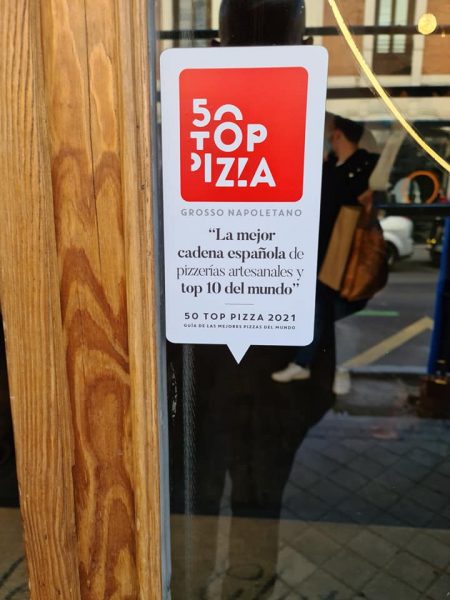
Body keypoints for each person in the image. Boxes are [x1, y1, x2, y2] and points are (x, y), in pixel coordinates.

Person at [271, 116, 379, 383]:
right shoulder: (329, 165)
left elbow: (365, 199)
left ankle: (318, 364)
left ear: (338, 134)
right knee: (321, 306)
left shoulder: (364, 166)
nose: (329, 137)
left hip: (344, 252)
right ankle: (315, 364)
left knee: (332, 307)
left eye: (331, 132)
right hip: (321, 249)